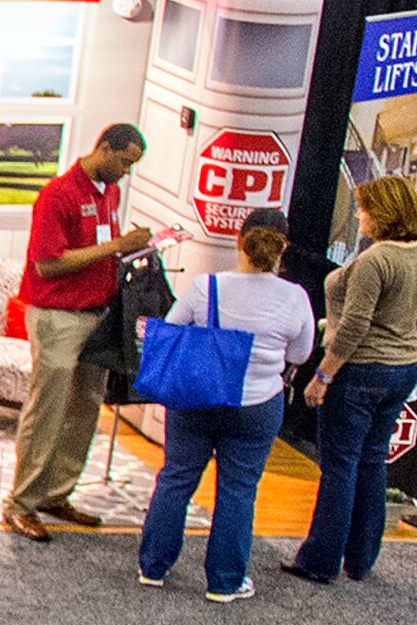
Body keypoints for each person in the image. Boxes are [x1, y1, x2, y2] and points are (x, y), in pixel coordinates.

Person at [136, 209, 318, 601]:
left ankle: (153, 567)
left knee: (176, 478)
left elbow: (172, 328)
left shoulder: (207, 287)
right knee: (238, 490)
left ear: (240, 241)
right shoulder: (295, 297)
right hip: (257, 404)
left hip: (197, 398)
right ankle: (224, 581)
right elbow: (300, 354)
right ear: (283, 248)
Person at [2, 122, 160, 543]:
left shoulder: (110, 193)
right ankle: (21, 503)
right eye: (124, 161)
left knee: (84, 408)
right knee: (48, 409)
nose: (126, 171)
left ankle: (56, 493)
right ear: (104, 148)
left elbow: (100, 251)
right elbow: (48, 264)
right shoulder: (58, 194)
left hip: (97, 315)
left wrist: (132, 250)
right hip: (58, 316)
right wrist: (116, 247)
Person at [289, 174, 417, 585]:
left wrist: (323, 374)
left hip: (362, 371)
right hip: (404, 367)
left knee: (339, 466)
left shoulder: (376, 260)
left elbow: (355, 325)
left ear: (382, 213)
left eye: (364, 208)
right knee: (372, 461)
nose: (358, 215)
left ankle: (320, 560)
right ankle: (360, 558)